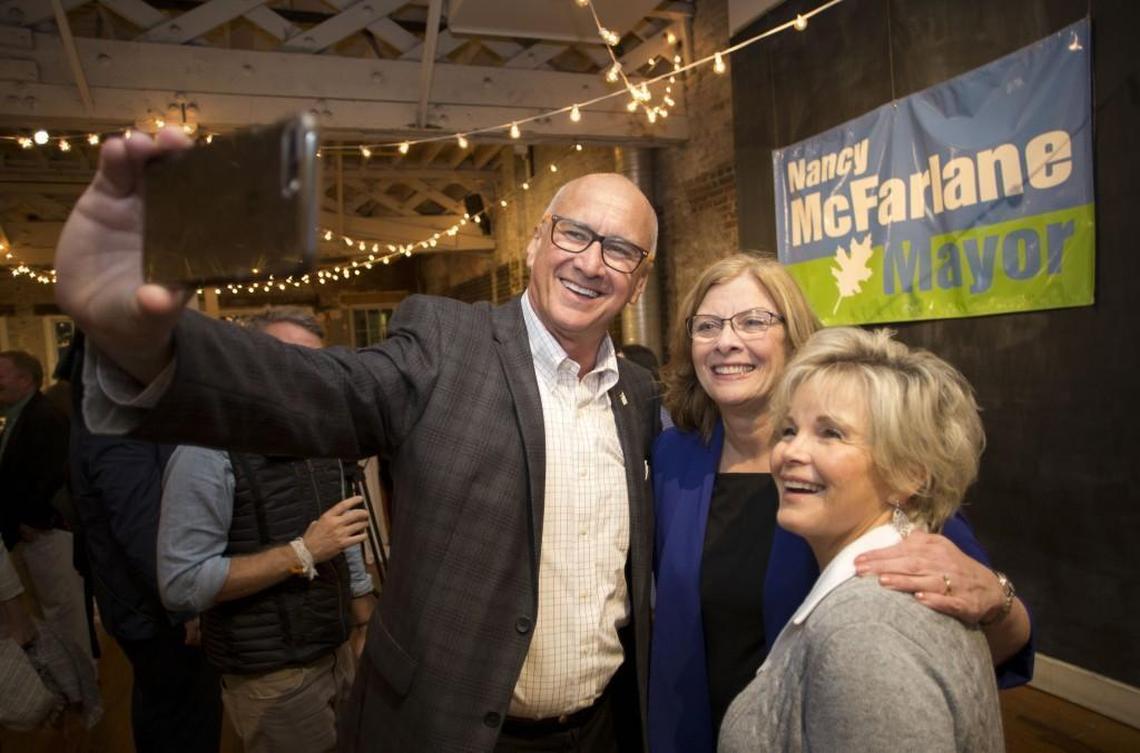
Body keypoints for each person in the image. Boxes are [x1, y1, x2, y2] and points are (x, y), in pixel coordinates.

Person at [53, 127, 661, 752]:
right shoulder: (447, 343)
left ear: (639, 283)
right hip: (454, 732)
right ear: (538, 241)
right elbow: (321, 390)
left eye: (620, 250)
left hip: (602, 729)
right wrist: (150, 345)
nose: (591, 262)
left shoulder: (636, 394)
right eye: (575, 233)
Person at [650, 254, 1031, 752]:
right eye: (707, 326)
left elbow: (972, 626)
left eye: (753, 322)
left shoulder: (869, 474)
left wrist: (999, 599)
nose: (726, 341)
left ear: (794, 337)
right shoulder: (674, 457)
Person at [719, 326, 1003, 752]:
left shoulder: (867, 632)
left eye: (831, 433)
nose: (791, 452)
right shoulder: (878, 599)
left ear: (909, 474)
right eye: (790, 430)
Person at [157, 308, 375, 753]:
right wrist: (302, 552)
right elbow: (181, 584)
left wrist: (364, 622)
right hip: (272, 679)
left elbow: (342, 532)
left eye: (315, 362)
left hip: (337, 653)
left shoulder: (319, 435)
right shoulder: (206, 452)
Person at [59, 332, 223, 753]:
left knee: (169, 710)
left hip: (153, 604)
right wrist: (188, 602)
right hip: (157, 610)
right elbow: (142, 526)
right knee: (183, 721)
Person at [0, 350, 93, 668]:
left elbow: (53, 474)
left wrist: (30, 518)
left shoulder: (44, 416)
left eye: (1, 375)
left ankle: (83, 683)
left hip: (48, 532)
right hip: (31, 532)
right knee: (49, 610)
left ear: (25, 379)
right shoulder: (20, 416)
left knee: (64, 612)